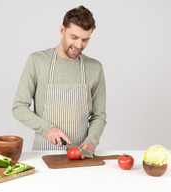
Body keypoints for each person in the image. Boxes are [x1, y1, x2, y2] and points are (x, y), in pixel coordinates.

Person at [12, 5, 106, 155]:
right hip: (43, 155)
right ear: (62, 30)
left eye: (85, 40)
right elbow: (18, 107)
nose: (78, 45)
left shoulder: (95, 68)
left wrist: (91, 141)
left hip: (80, 156)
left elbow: (99, 115)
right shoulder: (37, 61)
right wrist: (47, 128)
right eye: (74, 37)